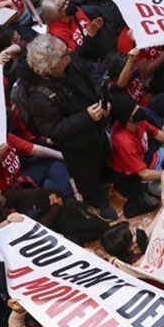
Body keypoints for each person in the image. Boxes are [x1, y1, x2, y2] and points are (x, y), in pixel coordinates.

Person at [23, 34, 117, 218]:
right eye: (66, 52)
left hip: (96, 126)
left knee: (104, 155)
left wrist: (102, 98)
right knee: (87, 175)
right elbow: (53, 130)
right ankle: (95, 201)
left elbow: (92, 71)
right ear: (53, 65)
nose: (71, 52)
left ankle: (108, 178)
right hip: (77, 144)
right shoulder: (38, 96)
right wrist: (86, 117)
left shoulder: (71, 61)